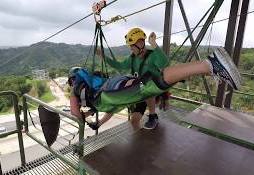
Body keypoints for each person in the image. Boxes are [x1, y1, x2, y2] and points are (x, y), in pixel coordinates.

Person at [69, 47, 241, 131]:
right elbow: (111, 109)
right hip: (117, 87)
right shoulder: (96, 94)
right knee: (151, 86)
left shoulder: (76, 90)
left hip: (114, 90)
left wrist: (82, 118)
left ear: (72, 80)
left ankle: (209, 64)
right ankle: (208, 66)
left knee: (149, 85)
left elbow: (75, 113)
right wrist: (97, 122)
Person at [96, 27, 170, 129]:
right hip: (141, 92)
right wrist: (103, 56)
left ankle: (153, 115)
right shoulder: (131, 59)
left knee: (147, 83)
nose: (131, 49)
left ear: (140, 43)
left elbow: (164, 63)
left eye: (132, 46)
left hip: (153, 90)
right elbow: (118, 65)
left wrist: (153, 43)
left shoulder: (152, 56)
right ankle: (141, 139)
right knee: (134, 121)